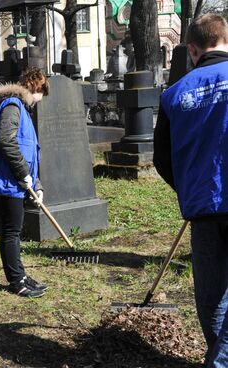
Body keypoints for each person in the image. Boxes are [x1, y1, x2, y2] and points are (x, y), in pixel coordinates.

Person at [153, 14, 228, 366]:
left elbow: (162, 159)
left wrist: (190, 189)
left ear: (192, 50)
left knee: (211, 299)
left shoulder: (174, 94)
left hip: (202, 207)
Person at [0, 67, 49, 298]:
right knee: (11, 231)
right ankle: (17, 281)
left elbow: (27, 150)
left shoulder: (19, 108)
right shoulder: (13, 107)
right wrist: (23, 174)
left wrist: (36, 185)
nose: (39, 101)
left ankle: (21, 275)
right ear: (36, 88)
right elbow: (7, 142)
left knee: (14, 230)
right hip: (7, 181)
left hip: (15, 180)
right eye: (40, 95)